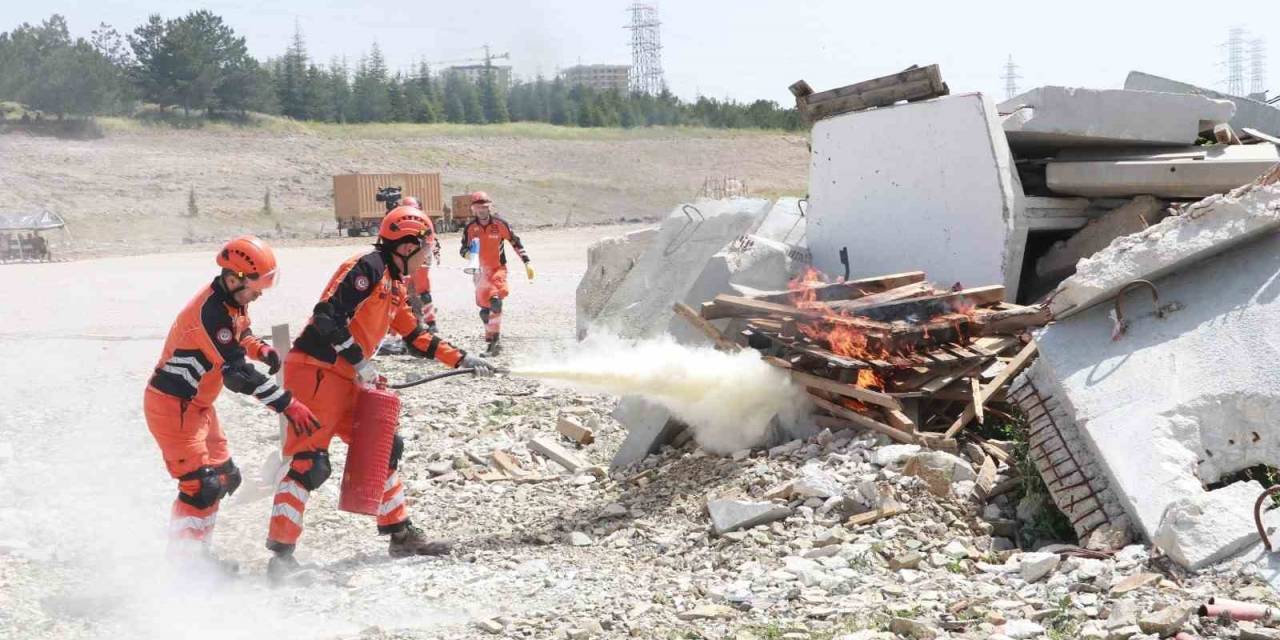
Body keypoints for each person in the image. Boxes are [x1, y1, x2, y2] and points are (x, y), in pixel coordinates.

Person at [265, 206, 495, 579]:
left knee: (385, 446)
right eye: (425, 248)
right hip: (315, 372)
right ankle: (281, 558)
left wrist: (461, 359)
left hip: (347, 376)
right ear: (405, 246)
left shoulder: (395, 283)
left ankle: (399, 534)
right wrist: (360, 362)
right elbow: (326, 317)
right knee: (310, 463)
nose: (427, 256)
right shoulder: (367, 268)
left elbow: (415, 336)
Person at [144, 235, 321, 570]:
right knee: (201, 485)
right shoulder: (209, 313)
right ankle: (185, 566)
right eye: (256, 287)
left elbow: (240, 334)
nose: (259, 294)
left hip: (199, 407)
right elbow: (238, 375)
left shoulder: (232, 302)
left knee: (225, 478)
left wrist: (260, 348)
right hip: (173, 407)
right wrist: (287, 405)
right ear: (234, 278)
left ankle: (196, 555)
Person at [458, 192, 533, 355]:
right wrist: (469, 254)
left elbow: (515, 242)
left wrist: (526, 262)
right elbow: (462, 249)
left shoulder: (500, 224)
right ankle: (491, 340)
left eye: (485, 207)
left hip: (498, 269)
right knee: (484, 311)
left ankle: (494, 343)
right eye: (478, 208)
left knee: (496, 302)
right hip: (480, 272)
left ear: (489, 207)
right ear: (473, 209)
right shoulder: (470, 228)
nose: (482, 210)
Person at [400, 196, 439, 333]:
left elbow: (428, 239)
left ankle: (431, 322)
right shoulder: (400, 222)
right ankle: (413, 322)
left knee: (423, 290)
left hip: (420, 258)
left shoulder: (423, 222)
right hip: (405, 259)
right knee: (405, 291)